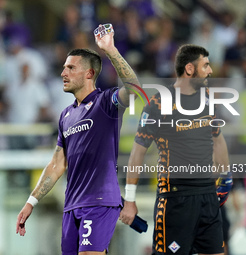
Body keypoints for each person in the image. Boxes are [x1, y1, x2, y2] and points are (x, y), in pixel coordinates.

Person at [16, 26, 139, 254]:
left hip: (99, 201)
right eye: (63, 68)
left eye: (71, 68)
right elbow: (56, 164)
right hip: (72, 205)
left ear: (89, 74)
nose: (63, 73)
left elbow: (133, 89)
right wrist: (31, 202)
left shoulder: (105, 103)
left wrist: (110, 50)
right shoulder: (66, 115)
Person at [120, 44, 231, 255]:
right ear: (189, 69)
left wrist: (226, 177)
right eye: (205, 65)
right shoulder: (158, 103)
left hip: (208, 196)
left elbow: (218, 140)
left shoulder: (208, 98)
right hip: (175, 200)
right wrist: (130, 200)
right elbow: (138, 152)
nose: (210, 71)